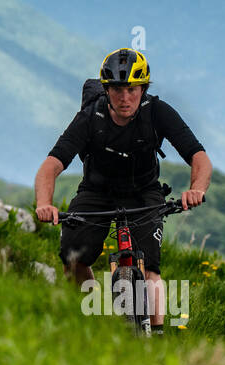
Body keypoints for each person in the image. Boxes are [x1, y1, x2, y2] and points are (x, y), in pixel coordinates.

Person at [33, 48, 212, 334]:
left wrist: (196, 189)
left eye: (132, 89)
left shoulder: (157, 112)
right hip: (96, 193)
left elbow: (199, 158)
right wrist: (45, 203)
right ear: (106, 90)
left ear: (143, 89)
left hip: (143, 193)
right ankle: (90, 323)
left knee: (150, 270)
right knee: (73, 257)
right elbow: (51, 165)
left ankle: (156, 340)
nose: (125, 97)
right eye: (117, 89)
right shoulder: (91, 116)